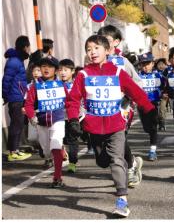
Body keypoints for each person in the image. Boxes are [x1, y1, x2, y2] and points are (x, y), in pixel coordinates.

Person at [66, 35, 156, 217]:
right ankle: (129, 166)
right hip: (93, 127)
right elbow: (73, 99)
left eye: (96, 48)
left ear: (107, 51)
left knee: (116, 159)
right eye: (89, 49)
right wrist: (74, 120)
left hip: (116, 125)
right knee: (102, 161)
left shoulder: (117, 73)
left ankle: (122, 199)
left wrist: (149, 109)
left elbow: (135, 91)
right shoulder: (83, 75)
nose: (92, 52)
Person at [97, 25, 144, 188]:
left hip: (122, 108)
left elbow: (137, 82)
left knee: (119, 139)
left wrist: (130, 96)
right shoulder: (91, 60)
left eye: (107, 41)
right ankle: (129, 163)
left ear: (116, 42)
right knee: (105, 143)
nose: (101, 45)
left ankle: (130, 168)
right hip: (99, 110)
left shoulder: (122, 62)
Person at [24, 56, 67, 187]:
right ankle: (57, 153)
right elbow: (28, 104)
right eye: (43, 66)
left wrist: (74, 116)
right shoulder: (35, 86)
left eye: (50, 66)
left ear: (56, 70)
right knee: (47, 151)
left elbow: (71, 100)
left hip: (58, 120)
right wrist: (32, 116)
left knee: (55, 144)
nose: (46, 69)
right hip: (42, 123)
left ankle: (57, 177)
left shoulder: (61, 85)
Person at [2, 35, 32, 162]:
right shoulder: (14, 61)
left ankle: (16, 150)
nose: (29, 49)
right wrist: (5, 95)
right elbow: (6, 80)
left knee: (18, 124)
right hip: (15, 98)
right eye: (29, 47)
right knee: (16, 124)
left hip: (18, 96)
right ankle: (13, 152)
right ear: (25, 47)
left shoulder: (18, 60)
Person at [137, 52, 164, 161]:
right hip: (142, 105)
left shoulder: (159, 75)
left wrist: (164, 94)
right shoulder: (137, 76)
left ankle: (152, 150)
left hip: (153, 104)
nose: (145, 66)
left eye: (148, 64)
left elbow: (165, 87)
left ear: (153, 63)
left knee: (153, 127)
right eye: (143, 64)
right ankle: (150, 130)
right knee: (146, 127)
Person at [58, 59, 80, 173]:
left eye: (65, 70)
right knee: (58, 139)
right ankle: (62, 152)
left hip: (73, 118)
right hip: (59, 118)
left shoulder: (77, 84)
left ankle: (72, 162)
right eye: (60, 70)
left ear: (72, 71)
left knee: (72, 140)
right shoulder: (55, 85)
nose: (62, 72)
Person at [155, 58, 169, 131]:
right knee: (155, 110)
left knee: (162, 109)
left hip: (164, 94)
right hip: (155, 94)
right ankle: (156, 122)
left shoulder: (167, 73)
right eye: (159, 64)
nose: (161, 66)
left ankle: (162, 123)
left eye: (163, 64)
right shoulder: (154, 73)